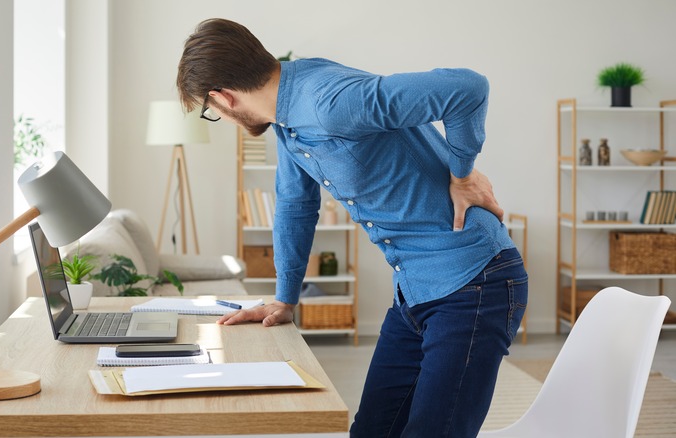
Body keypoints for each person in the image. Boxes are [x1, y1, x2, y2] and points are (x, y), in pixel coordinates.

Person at [176, 18, 528, 438]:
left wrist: (462, 173)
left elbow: (468, 88)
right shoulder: (286, 118)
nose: (218, 114)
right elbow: (294, 205)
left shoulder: (329, 101)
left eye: (210, 111)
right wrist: (285, 299)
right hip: (415, 293)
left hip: (474, 282)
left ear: (223, 98)